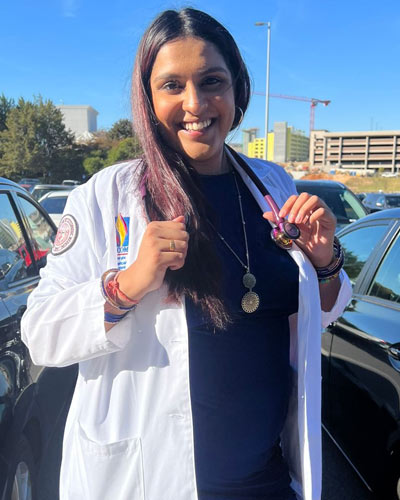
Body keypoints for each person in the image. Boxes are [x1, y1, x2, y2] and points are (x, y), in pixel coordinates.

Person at [21, 8, 351, 500]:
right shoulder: (106, 196)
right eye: (172, 85)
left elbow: (314, 316)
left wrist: (325, 263)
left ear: (237, 88)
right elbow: (41, 334)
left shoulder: (274, 185)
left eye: (212, 80)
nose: (195, 103)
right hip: (151, 478)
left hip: (266, 481)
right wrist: (126, 285)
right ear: (149, 99)